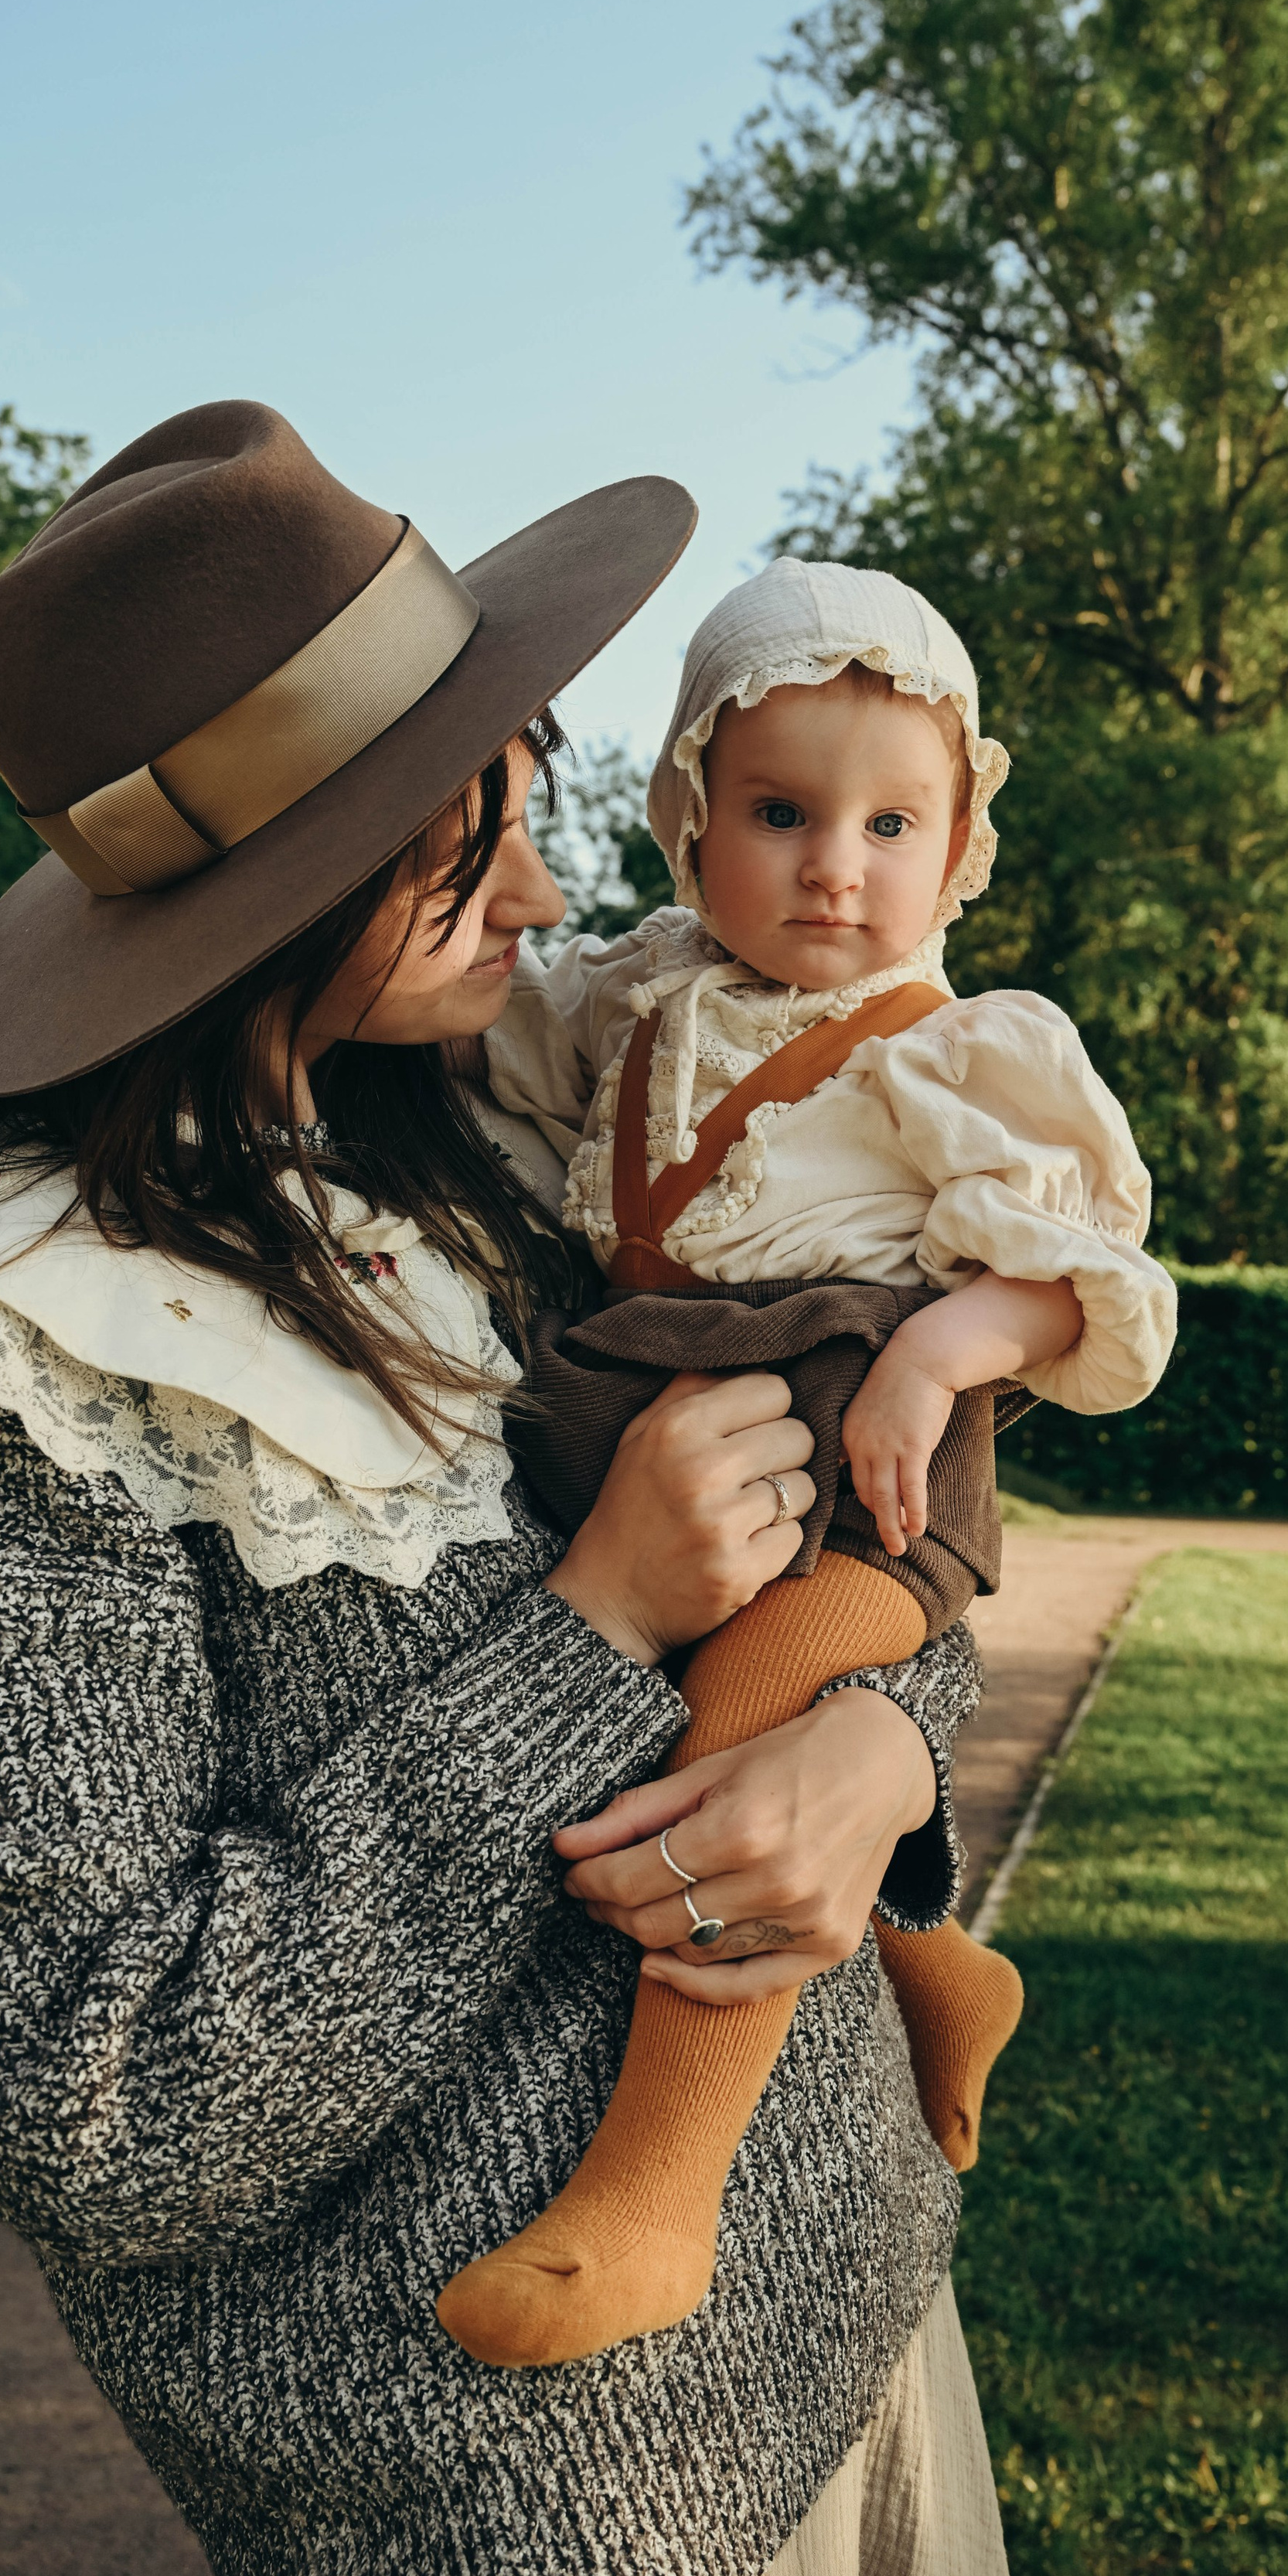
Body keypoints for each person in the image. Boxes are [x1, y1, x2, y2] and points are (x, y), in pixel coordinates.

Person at [0, 404, 1010, 2576]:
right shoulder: (16, 1367)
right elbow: (85, 2100)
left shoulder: (496, 1158)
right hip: (539, 2501)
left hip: (866, 2307)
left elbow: (878, 1518)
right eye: (466, 842)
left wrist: (885, 1752)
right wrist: (590, 1634)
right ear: (277, 893)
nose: (545, 893)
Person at [440, 558, 1177, 2370]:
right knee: (669, 1709)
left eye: (887, 825)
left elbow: (1094, 1280)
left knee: (749, 1726)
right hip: (672, 1439)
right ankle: (937, 1966)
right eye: (781, 814)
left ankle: (657, 2190)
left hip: (868, 1483)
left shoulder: (956, 1050)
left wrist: (941, 1349)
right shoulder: (631, 1003)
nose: (835, 867)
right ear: (688, 821)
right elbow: (482, 1061)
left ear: (957, 847)